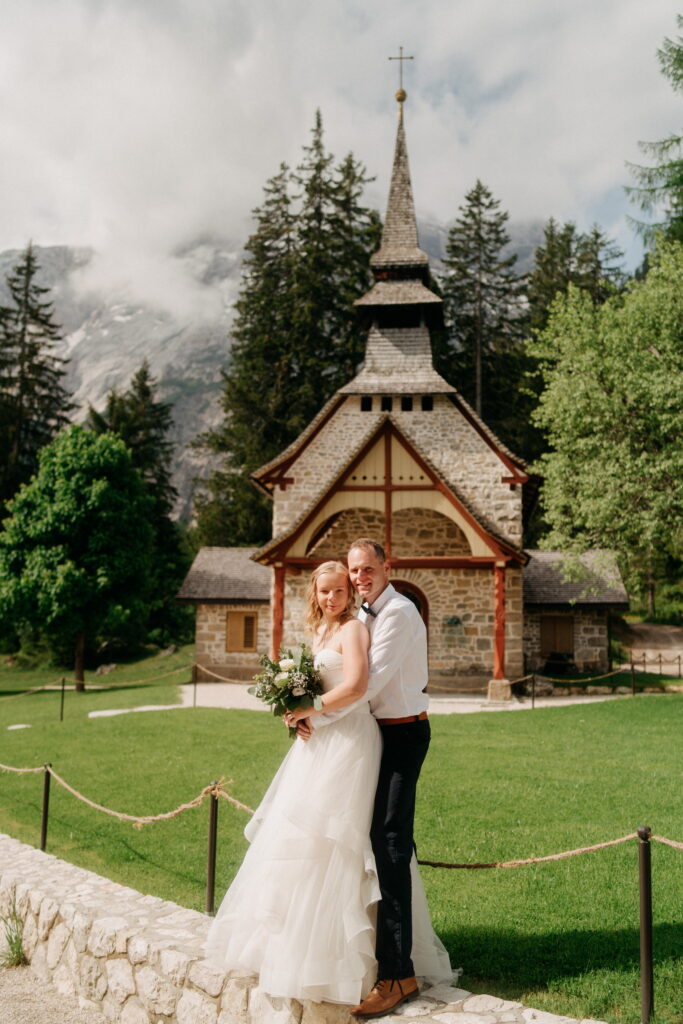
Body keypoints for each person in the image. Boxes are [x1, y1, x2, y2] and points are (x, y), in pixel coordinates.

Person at [206, 559, 450, 1008]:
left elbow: (360, 686)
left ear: (353, 591)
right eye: (326, 591)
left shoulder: (361, 627)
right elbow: (323, 689)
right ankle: (294, 949)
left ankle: (365, 963)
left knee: (345, 840)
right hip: (320, 742)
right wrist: (295, 710)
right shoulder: (321, 634)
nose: (334, 597)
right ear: (314, 595)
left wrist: (311, 709)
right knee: (301, 838)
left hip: (351, 742)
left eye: (340, 589)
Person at [293, 538, 450, 1017]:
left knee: (390, 846)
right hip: (374, 738)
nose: (360, 577)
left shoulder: (398, 613)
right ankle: (377, 956)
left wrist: (313, 714)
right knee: (369, 843)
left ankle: (399, 974)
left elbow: (367, 685)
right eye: (354, 570)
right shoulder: (363, 613)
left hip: (403, 737)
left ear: (387, 567)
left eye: (367, 569)